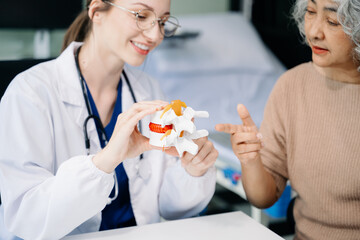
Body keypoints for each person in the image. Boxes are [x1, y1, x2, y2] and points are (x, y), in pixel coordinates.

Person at [0, 0, 218, 239]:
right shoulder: (30, 93)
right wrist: (104, 162)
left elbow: (168, 207)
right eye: (141, 15)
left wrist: (192, 171)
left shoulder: (149, 90)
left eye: (163, 22)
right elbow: (26, 217)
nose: (156, 34)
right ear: (96, 12)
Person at [216, 0, 360, 239]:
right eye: (310, 12)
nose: (313, 32)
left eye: (333, 21)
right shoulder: (292, 86)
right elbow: (263, 198)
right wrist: (250, 160)